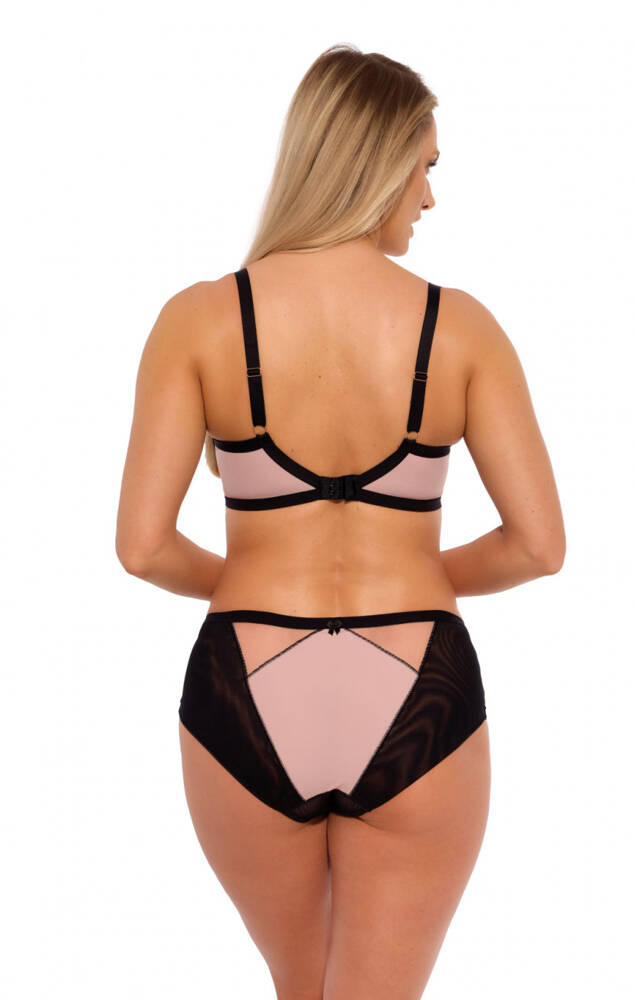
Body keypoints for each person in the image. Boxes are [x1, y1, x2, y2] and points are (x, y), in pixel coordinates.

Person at [116, 43, 565, 1000]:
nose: (430, 198)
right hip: (415, 676)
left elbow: (142, 547)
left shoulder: (198, 320)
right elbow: (538, 544)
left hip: (245, 674)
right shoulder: (460, 328)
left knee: (300, 987)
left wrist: (254, 576)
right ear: (376, 160)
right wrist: (418, 571)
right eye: (424, 167)